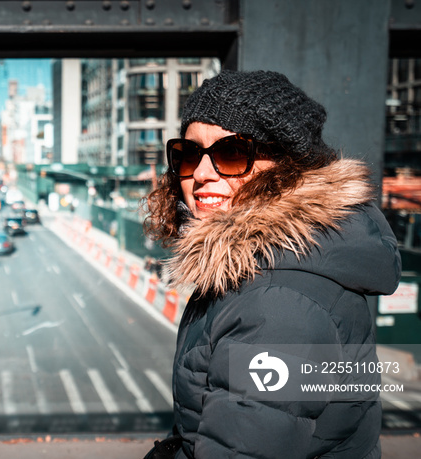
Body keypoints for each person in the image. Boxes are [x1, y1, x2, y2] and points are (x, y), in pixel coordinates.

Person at [141, 70, 401, 459]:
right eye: (189, 153)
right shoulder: (258, 270)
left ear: (285, 169)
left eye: (232, 154)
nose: (201, 174)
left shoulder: (277, 303)